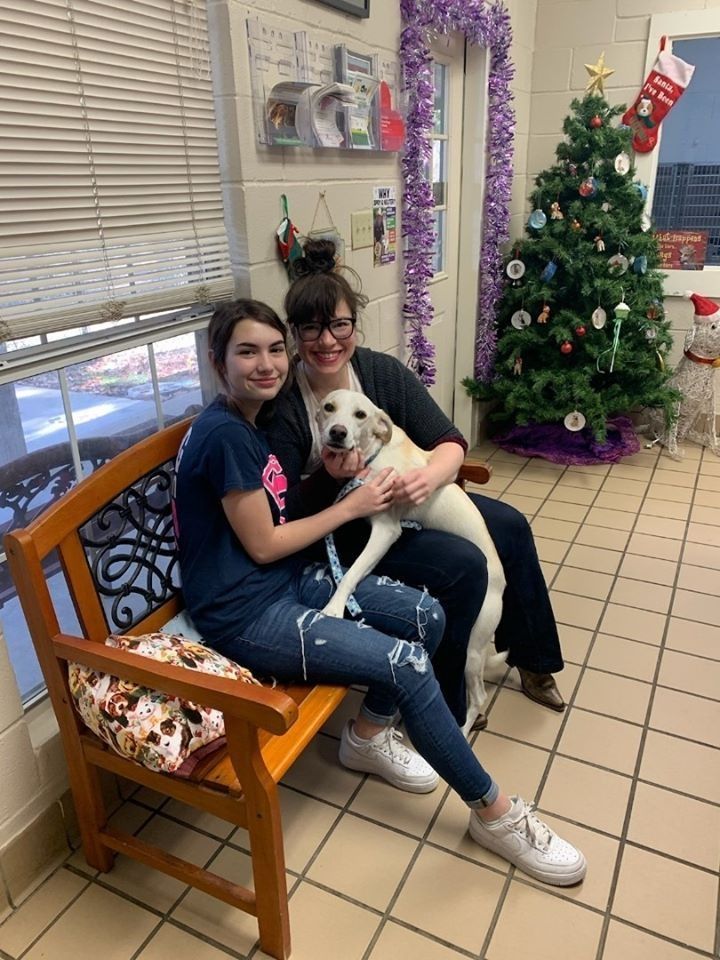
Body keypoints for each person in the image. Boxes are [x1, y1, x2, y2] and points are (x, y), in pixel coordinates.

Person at [174, 298, 586, 886]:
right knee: (408, 661)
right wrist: (360, 502)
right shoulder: (227, 436)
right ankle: (495, 814)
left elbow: (437, 442)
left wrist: (358, 493)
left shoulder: (250, 420)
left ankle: (365, 737)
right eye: (247, 351)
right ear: (218, 362)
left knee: (428, 615)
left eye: (271, 350)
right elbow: (264, 544)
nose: (266, 364)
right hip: (246, 610)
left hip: (282, 578)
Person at [267, 240, 566, 728]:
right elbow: (282, 508)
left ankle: (531, 659)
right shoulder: (284, 405)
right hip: (341, 527)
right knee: (464, 564)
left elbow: (449, 440)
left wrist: (425, 480)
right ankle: (447, 703)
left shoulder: (381, 374)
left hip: (406, 502)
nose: (327, 340)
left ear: (354, 327)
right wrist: (329, 479)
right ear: (295, 333)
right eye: (312, 328)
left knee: (510, 525)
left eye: (339, 325)